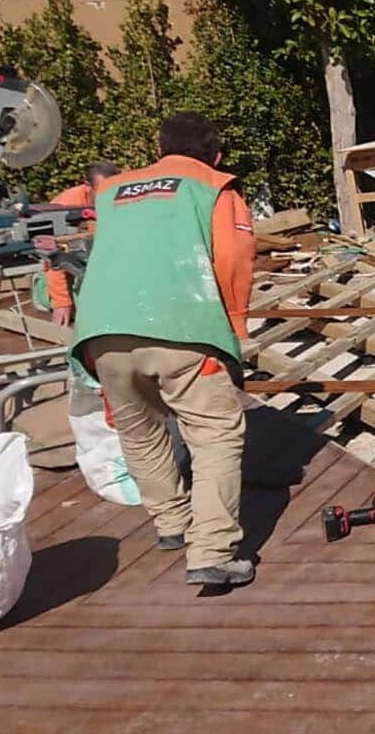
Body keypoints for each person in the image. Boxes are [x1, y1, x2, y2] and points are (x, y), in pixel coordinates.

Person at [70, 115, 257, 585]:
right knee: (215, 433)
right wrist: (233, 329)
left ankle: (172, 524)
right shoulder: (215, 186)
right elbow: (233, 257)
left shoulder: (112, 190)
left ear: (160, 148)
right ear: (215, 154)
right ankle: (212, 551)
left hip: (103, 330)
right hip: (184, 326)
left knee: (139, 432)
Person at [44, 162, 121, 327]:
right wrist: (61, 302)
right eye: (102, 191)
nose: (109, 196)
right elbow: (53, 257)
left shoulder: (120, 198)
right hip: (70, 271)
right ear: (88, 187)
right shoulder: (64, 207)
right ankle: (41, 292)